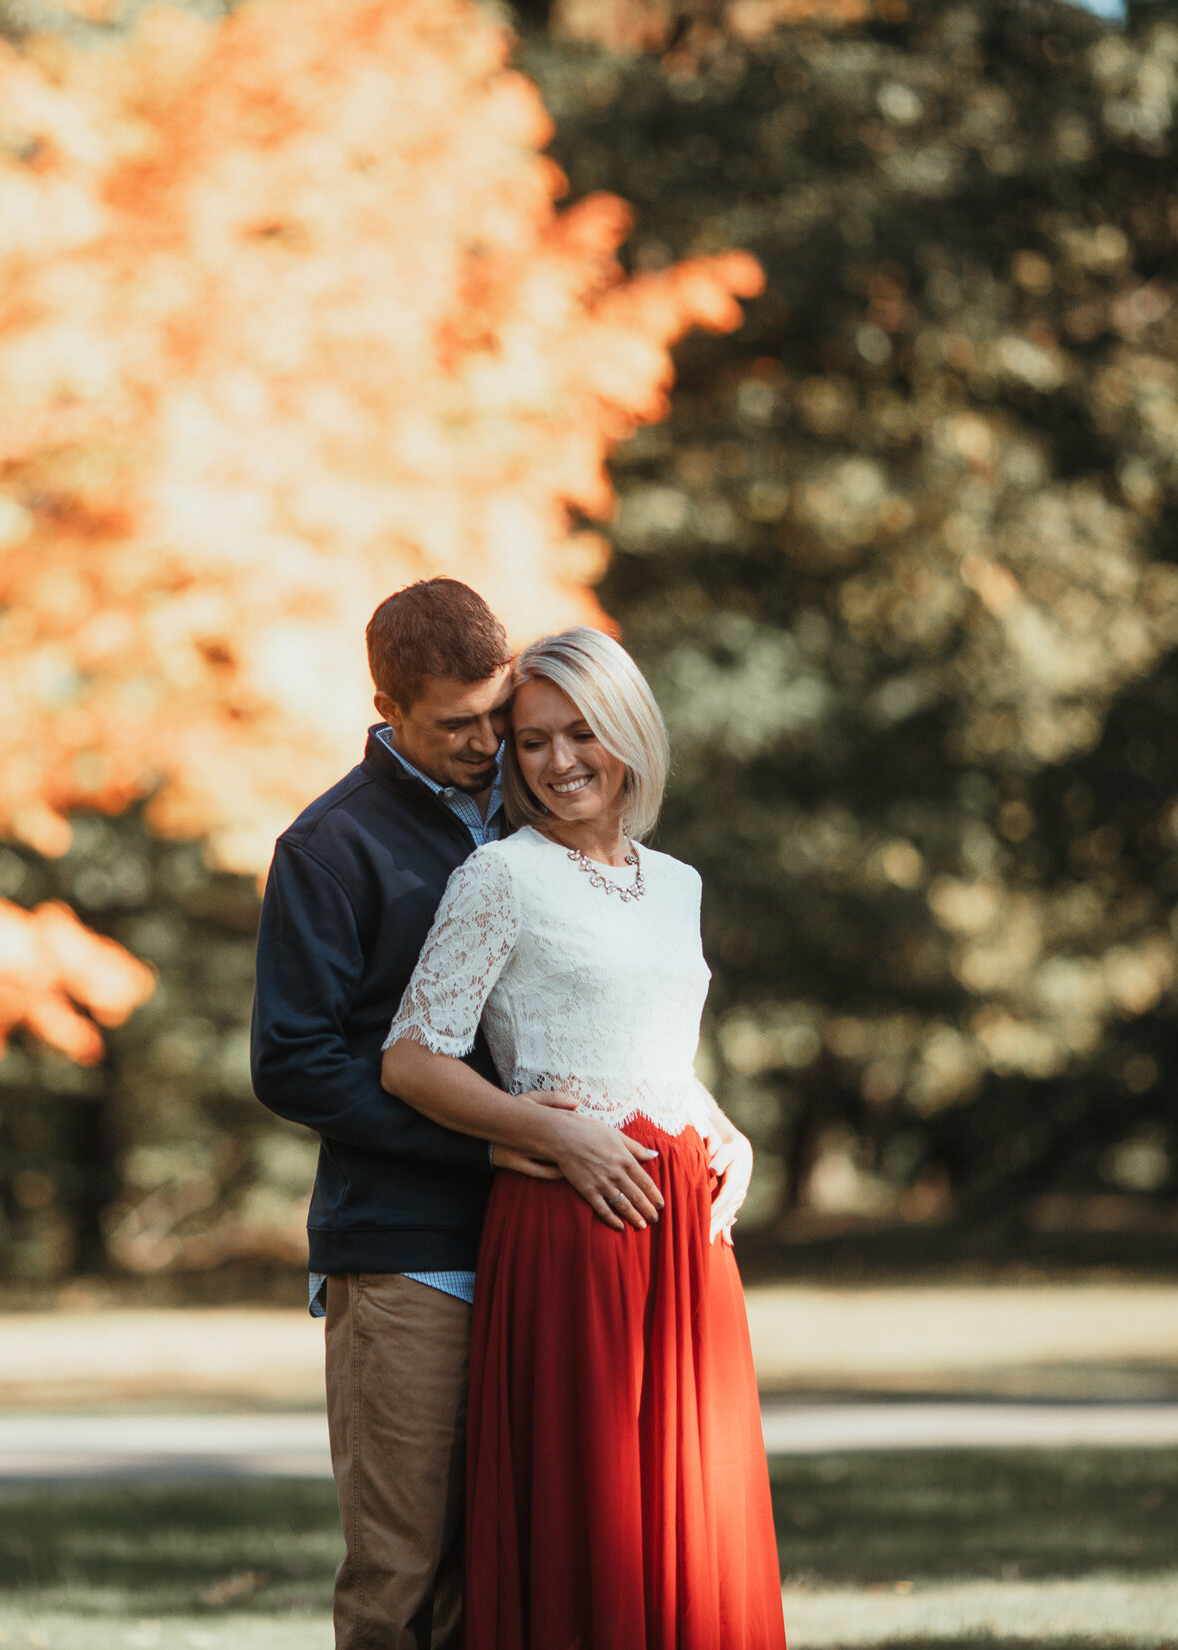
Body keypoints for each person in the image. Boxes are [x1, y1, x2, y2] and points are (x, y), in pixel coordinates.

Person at [252, 580, 643, 1650]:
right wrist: (485, 1138)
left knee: (503, 1565)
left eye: (495, 712)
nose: (488, 743)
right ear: (386, 705)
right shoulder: (330, 847)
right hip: (407, 1253)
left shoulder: (538, 810)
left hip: (543, 1240)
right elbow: (290, 1062)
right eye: (454, 725)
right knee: (402, 1568)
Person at [379, 625, 786, 1650]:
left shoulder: (677, 883)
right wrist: (550, 1138)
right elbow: (414, 1057)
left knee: (695, 1518)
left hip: (687, 1237)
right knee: (591, 1521)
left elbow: (645, 1045)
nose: (558, 762)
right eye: (530, 741)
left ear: (630, 733)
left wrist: (722, 1126)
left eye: (581, 734)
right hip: (573, 1226)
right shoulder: (500, 878)